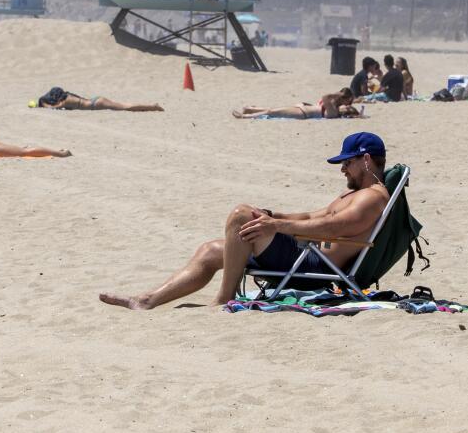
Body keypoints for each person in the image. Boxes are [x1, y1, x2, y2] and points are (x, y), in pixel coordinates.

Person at [100, 132, 391, 309]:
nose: (342, 170)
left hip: (313, 267)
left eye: (347, 163)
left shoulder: (372, 197)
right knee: (211, 250)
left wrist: (276, 227)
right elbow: (312, 216)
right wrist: (273, 216)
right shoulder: (354, 194)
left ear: (365, 160)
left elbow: (334, 227)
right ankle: (147, 300)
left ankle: (224, 299)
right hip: (303, 256)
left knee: (241, 214)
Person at [232, 88, 358, 120]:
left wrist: (339, 94)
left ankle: (245, 116)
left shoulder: (333, 112)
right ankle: (249, 110)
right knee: (272, 109)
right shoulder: (333, 107)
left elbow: (325, 97)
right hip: (301, 108)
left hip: (301, 113)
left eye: (348, 106)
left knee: (271, 112)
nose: (346, 105)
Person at [37, 89, 163, 112]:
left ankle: (152, 106)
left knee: (126, 107)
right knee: (125, 106)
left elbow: (53, 108)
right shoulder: (67, 96)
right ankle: (150, 107)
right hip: (96, 101)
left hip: (97, 103)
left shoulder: (66, 101)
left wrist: (43, 103)